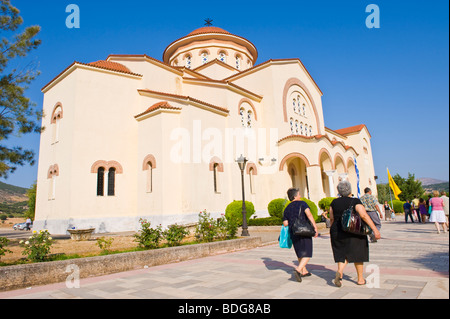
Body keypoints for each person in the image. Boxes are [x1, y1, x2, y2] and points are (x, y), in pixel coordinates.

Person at [329, 181, 381, 287]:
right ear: (350, 190)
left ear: (339, 191)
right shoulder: (355, 201)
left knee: (342, 253)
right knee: (358, 253)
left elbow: (331, 218)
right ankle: (361, 279)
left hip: (336, 230)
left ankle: (340, 271)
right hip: (353, 229)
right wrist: (375, 229)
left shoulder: (333, 202)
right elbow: (364, 215)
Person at [282, 187, 318, 282]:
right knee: (307, 252)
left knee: (300, 251)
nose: (300, 196)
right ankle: (298, 270)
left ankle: (304, 271)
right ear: (295, 196)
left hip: (294, 232)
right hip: (304, 231)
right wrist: (315, 227)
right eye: (299, 194)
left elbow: (285, 223)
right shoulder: (302, 204)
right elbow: (309, 215)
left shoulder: (287, 208)